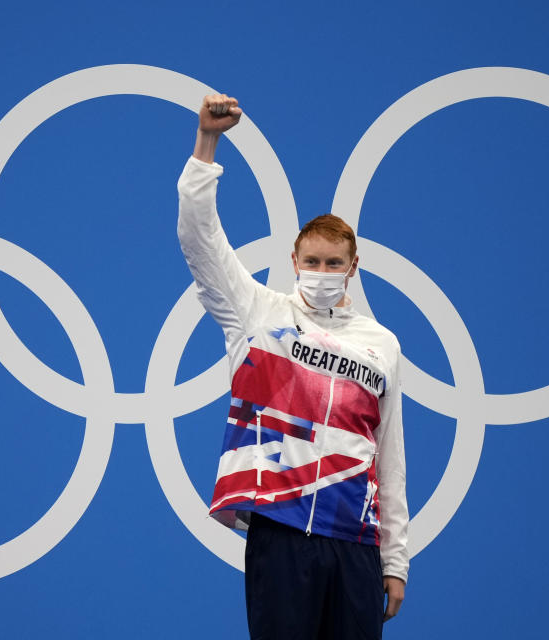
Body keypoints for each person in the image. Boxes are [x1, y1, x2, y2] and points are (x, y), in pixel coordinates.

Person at [177, 94, 409, 640]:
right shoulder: (257, 313)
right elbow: (199, 238)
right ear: (294, 262)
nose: (321, 272)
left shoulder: (382, 345)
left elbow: (389, 455)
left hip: (356, 540)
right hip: (281, 530)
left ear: (353, 268)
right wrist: (207, 145)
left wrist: (395, 561)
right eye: (312, 262)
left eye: (333, 263)